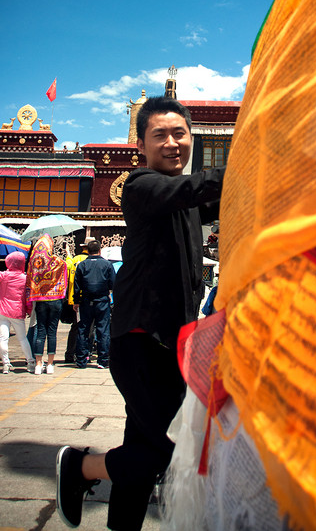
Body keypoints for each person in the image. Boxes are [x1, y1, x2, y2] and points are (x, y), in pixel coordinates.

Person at [56, 96, 225, 530]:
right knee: (161, 454)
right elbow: (197, 187)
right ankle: (80, 467)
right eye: (160, 135)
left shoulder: (185, 202)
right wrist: (253, 157)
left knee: (143, 441)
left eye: (180, 134)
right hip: (140, 338)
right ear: (141, 146)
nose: (172, 143)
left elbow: (225, 198)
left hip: (175, 340)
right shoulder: (142, 186)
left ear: (191, 138)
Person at [0, 251, 35, 374]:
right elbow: (27, 296)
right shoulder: (25, 278)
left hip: (2, 310)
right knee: (22, 338)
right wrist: (29, 310)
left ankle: (6, 364)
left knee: (3, 338)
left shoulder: (5, 275)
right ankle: (31, 362)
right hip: (17, 311)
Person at [26, 234, 67, 375]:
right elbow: (65, 266)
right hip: (55, 299)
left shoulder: (34, 262)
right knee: (52, 332)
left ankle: (38, 364)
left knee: (40, 331)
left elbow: (29, 280)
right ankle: (50, 364)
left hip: (41, 299)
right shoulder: (57, 262)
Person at [74, 240, 116, 369]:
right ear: (99, 250)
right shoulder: (107, 265)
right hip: (102, 301)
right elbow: (113, 283)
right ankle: (103, 360)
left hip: (86, 301)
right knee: (103, 330)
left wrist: (76, 301)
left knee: (83, 330)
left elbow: (77, 285)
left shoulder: (82, 265)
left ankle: (81, 360)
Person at [64, 237, 94, 363]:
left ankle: (70, 354)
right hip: (87, 298)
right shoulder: (90, 261)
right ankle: (85, 353)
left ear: (82, 247)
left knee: (75, 327)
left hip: (73, 299)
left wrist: (68, 255)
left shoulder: (75, 260)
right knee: (89, 328)